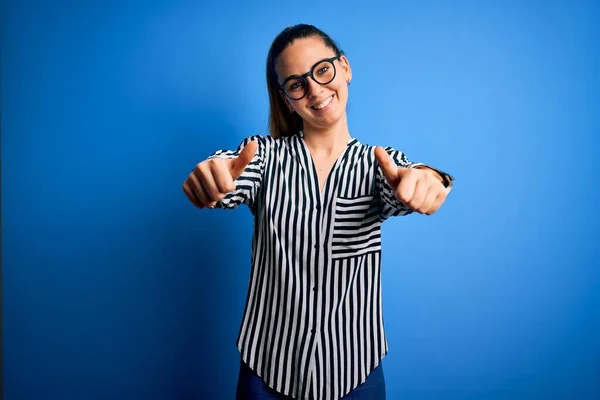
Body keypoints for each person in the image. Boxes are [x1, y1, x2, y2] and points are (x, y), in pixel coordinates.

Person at [182, 23, 454, 400]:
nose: (314, 89)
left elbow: (408, 181)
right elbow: (231, 175)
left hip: (355, 370)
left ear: (344, 67)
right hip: (267, 370)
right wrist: (212, 176)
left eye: (322, 70)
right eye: (296, 84)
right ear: (286, 98)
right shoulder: (264, 158)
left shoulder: (377, 165)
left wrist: (431, 179)